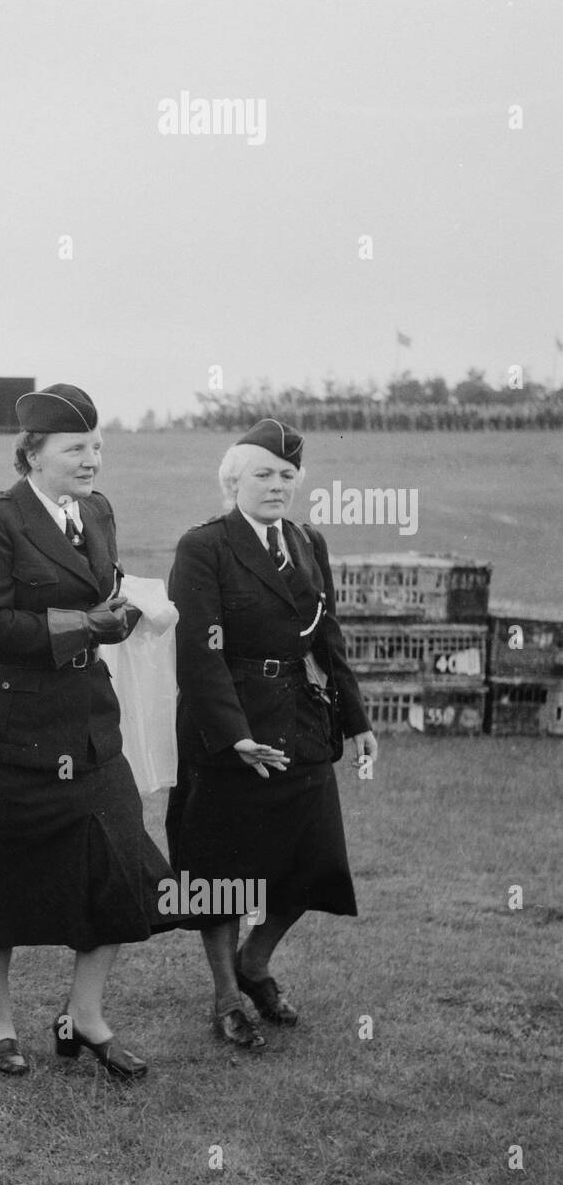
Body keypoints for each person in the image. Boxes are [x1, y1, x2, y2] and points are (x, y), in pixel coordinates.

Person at [0, 383, 173, 1081]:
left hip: (87, 720)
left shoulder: (96, 510)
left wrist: (130, 608)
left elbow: (106, 587)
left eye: (97, 446)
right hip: (8, 723)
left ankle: (85, 1018)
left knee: (123, 867)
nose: (91, 459)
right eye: (76, 448)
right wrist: (84, 624)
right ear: (32, 454)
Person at [166, 418, 377, 1050]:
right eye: (263, 473)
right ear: (234, 481)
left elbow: (328, 635)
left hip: (301, 720)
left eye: (287, 475)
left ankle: (255, 961)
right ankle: (226, 992)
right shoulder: (204, 545)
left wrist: (357, 717)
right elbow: (197, 652)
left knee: (312, 860)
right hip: (227, 720)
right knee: (224, 864)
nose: (277, 485)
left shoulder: (309, 540)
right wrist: (231, 735)